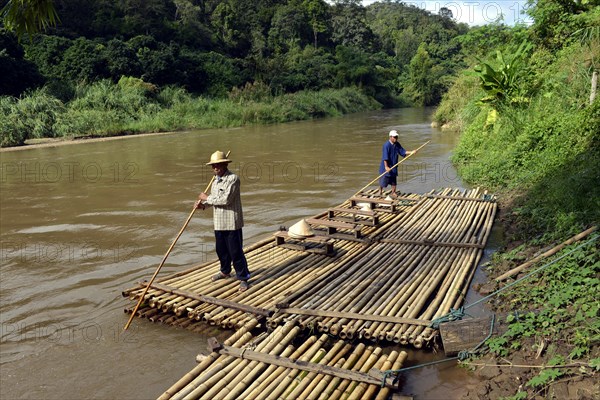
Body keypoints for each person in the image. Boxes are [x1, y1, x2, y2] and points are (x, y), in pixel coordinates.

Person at [195, 151, 251, 292]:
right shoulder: (215, 180)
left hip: (232, 222)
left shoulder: (233, 179)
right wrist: (203, 206)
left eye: (218, 165)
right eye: (213, 166)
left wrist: (206, 198)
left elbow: (225, 200)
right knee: (221, 250)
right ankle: (225, 271)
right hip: (219, 222)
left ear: (225, 164)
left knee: (235, 251)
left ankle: (243, 277)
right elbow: (215, 199)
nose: (215, 168)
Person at [379, 130, 415, 197]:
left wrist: (411, 152)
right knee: (383, 180)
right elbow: (385, 157)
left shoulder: (397, 144)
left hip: (394, 164)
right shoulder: (386, 145)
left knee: (393, 180)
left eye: (396, 137)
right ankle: (380, 191)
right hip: (386, 165)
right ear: (390, 137)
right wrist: (386, 167)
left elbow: (403, 151)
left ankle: (393, 192)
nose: (396, 138)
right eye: (394, 137)